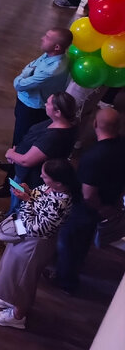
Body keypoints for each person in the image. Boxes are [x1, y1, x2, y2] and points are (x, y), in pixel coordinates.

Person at [0, 158, 77, 329]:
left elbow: (35, 228)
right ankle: (9, 298)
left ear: (58, 182)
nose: (42, 178)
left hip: (34, 244)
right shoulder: (53, 188)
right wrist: (29, 193)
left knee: (23, 279)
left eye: (45, 177)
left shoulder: (61, 203)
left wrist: (26, 200)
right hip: (26, 236)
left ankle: (17, 316)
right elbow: (39, 197)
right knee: (12, 269)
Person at [53, 108, 125, 293]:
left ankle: (65, 281)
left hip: (86, 209)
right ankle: (76, 265)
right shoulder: (121, 146)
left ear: (95, 125)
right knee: (83, 240)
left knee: (68, 241)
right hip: (107, 203)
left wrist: (101, 209)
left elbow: (88, 194)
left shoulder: (94, 157)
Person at [0, 91, 78, 210]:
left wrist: (11, 154)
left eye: (48, 104)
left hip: (28, 177)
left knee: (19, 201)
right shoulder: (59, 123)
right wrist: (18, 151)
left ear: (58, 112)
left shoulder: (54, 137)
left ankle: (12, 218)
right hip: (23, 170)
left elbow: (27, 161)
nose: (45, 105)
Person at [5, 28, 73, 162]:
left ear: (57, 47)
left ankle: (14, 165)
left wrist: (21, 76)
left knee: (22, 137)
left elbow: (19, 84)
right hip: (30, 102)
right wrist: (27, 73)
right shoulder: (51, 55)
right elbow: (31, 66)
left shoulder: (52, 70)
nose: (42, 38)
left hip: (31, 108)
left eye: (47, 37)